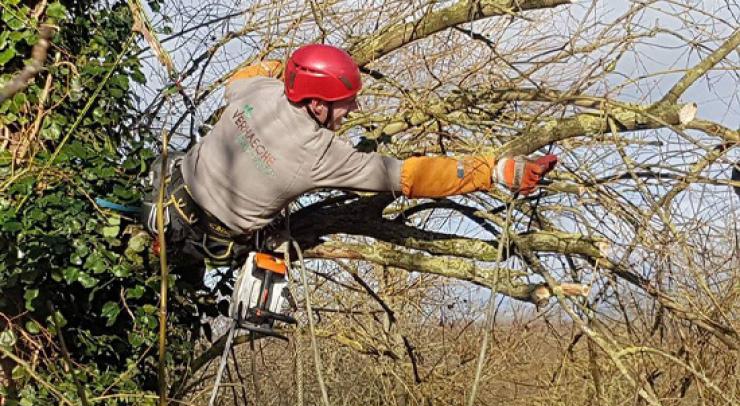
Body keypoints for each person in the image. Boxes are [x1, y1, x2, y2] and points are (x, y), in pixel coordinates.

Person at [145, 44, 557, 265]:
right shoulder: (320, 154)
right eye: (345, 102)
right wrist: (497, 170)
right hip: (214, 241)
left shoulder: (258, 93)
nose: (353, 110)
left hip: (171, 193)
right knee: (276, 247)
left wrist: (283, 67)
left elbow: (245, 76)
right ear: (317, 105)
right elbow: (411, 177)